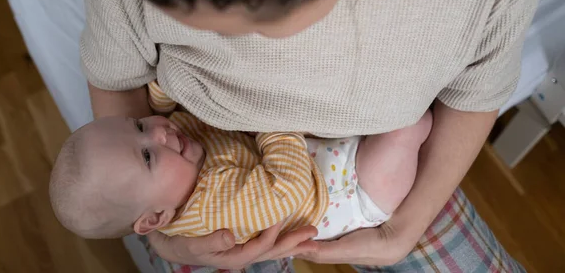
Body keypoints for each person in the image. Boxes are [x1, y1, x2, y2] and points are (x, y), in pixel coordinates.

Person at [81, 0, 546, 271]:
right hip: (198, 173)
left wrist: (407, 228)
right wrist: (164, 234)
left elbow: (475, 95)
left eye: (235, 27)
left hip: (370, 157)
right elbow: (117, 76)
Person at [49, 83, 431, 242]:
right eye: (147, 154)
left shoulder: (177, 153)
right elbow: (289, 186)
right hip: (343, 191)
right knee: (411, 126)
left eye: (137, 124)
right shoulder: (214, 208)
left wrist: (168, 83)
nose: (158, 132)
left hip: (316, 149)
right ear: (156, 218)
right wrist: (268, 122)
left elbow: (173, 108)